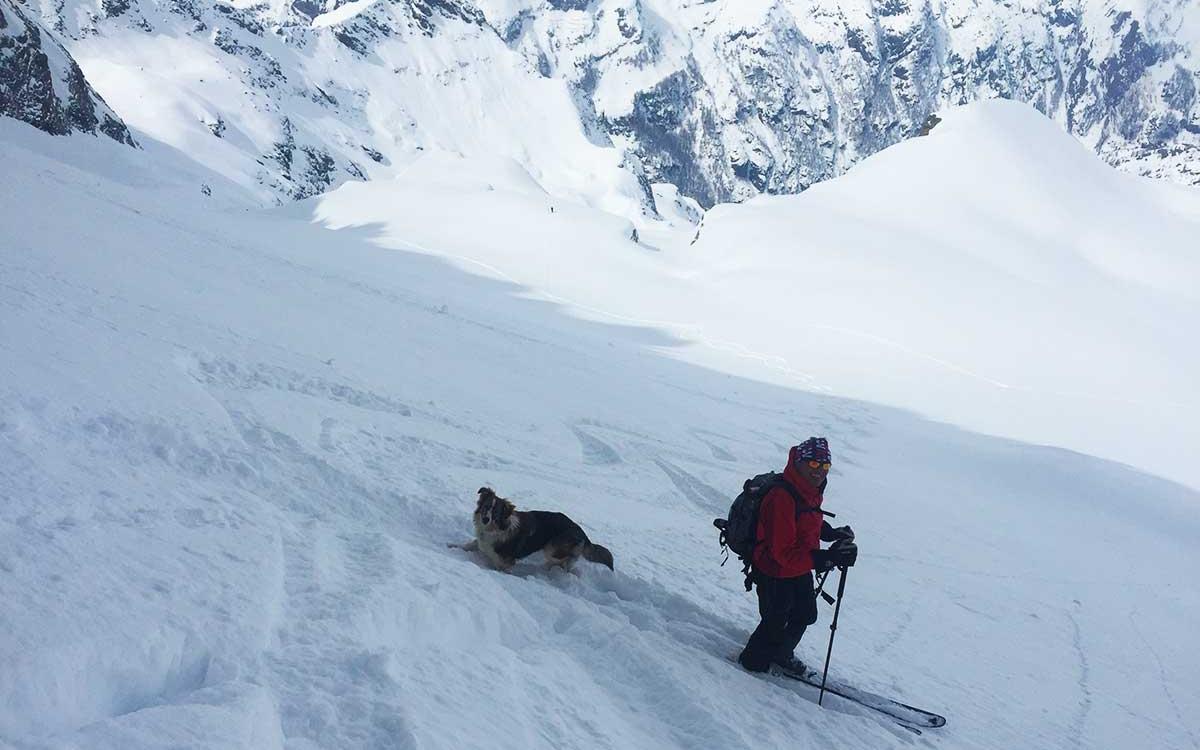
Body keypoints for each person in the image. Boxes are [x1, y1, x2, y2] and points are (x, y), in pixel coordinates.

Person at [737, 436, 857, 675]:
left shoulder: (809, 490)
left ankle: (780, 654)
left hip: (798, 566)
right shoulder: (781, 497)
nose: (819, 471)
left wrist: (830, 533)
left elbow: (805, 521)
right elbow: (782, 551)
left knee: (805, 614)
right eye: (813, 464)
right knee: (774, 620)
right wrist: (827, 558)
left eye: (825, 466)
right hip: (773, 569)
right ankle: (751, 667)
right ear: (799, 462)